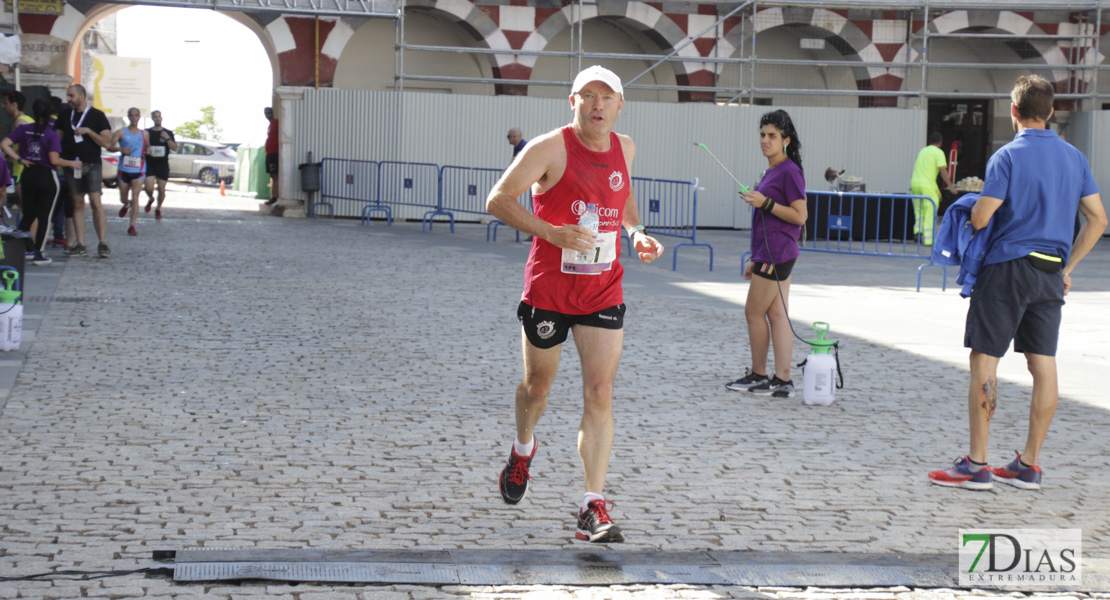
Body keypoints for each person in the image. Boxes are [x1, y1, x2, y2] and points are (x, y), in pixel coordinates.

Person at [486, 66, 664, 544]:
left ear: (620, 106)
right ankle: (522, 449)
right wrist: (551, 232)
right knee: (537, 388)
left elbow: (621, 196)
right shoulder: (548, 147)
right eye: (589, 96)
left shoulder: (624, 147)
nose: (598, 105)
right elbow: (497, 200)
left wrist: (635, 232)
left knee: (600, 391)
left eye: (607, 97)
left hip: (603, 288)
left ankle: (591, 504)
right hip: (549, 289)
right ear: (573, 101)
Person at [928, 75, 1107, 491]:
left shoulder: (1007, 156)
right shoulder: (1075, 158)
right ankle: (1029, 465)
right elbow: (1099, 220)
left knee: (985, 360)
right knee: (1043, 364)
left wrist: (972, 205)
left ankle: (977, 465)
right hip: (1050, 273)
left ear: (1014, 112)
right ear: (1050, 112)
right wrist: (1068, 268)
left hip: (1007, 269)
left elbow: (982, 217)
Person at [725, 110, 808, 399]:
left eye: (772, 136)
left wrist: (766, 202)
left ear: (786, 140)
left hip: (778, 253)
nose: (765, 140)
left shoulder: (789, 171)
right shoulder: (771, 171)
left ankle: (760, 375)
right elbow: (766, 219)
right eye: (762, 134)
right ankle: (782, 380)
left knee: (753, 312)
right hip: (770, 253)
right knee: (777, 315)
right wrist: (755, 257)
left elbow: (800, 216)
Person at [1, 98, 82, 266]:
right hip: (46, 176)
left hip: (28, 174)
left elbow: (4, 144)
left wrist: (20, 159)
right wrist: (71, 163)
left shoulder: (23, 129)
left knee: (28, 215)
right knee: (44, 215)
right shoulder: (51, 134)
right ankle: (39, 252)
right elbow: (54, 159)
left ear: (34, 112)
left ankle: (21, 249)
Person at [56, 84, 112, 258]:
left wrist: (88, 131)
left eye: (71, 96)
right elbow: (57, 140)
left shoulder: (97, 115)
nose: (68, 99)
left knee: (96, 201)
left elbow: (106, 142)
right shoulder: (65, 115)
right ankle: (80, 244)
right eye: (68, 96)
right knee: (77, 203)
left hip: (92, 163)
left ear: (82, 96)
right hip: (73, 165)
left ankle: (102, 243)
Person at [909, 132, 958, 246]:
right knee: (930, 210)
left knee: (919, 209)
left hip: (915, 184)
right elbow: (943, 170)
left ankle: (918, 231)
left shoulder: (923, 151)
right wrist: (951, 186)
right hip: (928, 186)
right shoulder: (938, 152)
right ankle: (928, 239)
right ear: (940, 143)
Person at [110, 107, 149, 236]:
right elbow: (110, 147)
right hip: (123, 170)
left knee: (136, 197)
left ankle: (132, 225)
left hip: (139, 169)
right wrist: (120, 149)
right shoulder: (121, 132)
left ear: (139, 117)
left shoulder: (144, 134)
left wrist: (148, 151)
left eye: (136, 115)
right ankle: (126, 204)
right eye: (131, 115)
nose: (133, 118)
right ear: (128, 117)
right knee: (124, 198)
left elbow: (147, 146)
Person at [3, 90, 35, 209]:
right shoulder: (28, 120)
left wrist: (7, 155)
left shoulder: (20, 123)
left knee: (27, 210)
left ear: (14, 104)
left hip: (22, 170)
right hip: (26, 169)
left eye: (5, 103)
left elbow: (24, 148)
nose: (3, 106)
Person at [143, 109, 177, 220]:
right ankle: (151, 198)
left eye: (159, 116)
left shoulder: (168, 132)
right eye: (155, 117)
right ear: (152, 119)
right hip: (150, 164)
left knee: (161, 189)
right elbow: (142, 146)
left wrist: (167, 138)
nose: (157, 118)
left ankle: (158, 208)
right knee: (148, 187)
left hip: (162, 165)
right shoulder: (147, 132)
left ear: (161, 118)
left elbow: (174, 148)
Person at [263, 106, 279, 206]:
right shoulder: (270, 125)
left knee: (275, 175)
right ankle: (273, 196)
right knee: (272, 175)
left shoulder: (276, 123)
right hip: (269, 153)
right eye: (265, 113)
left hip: (274, 152)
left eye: (269, 112)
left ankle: (275, 196)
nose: (267, 115)